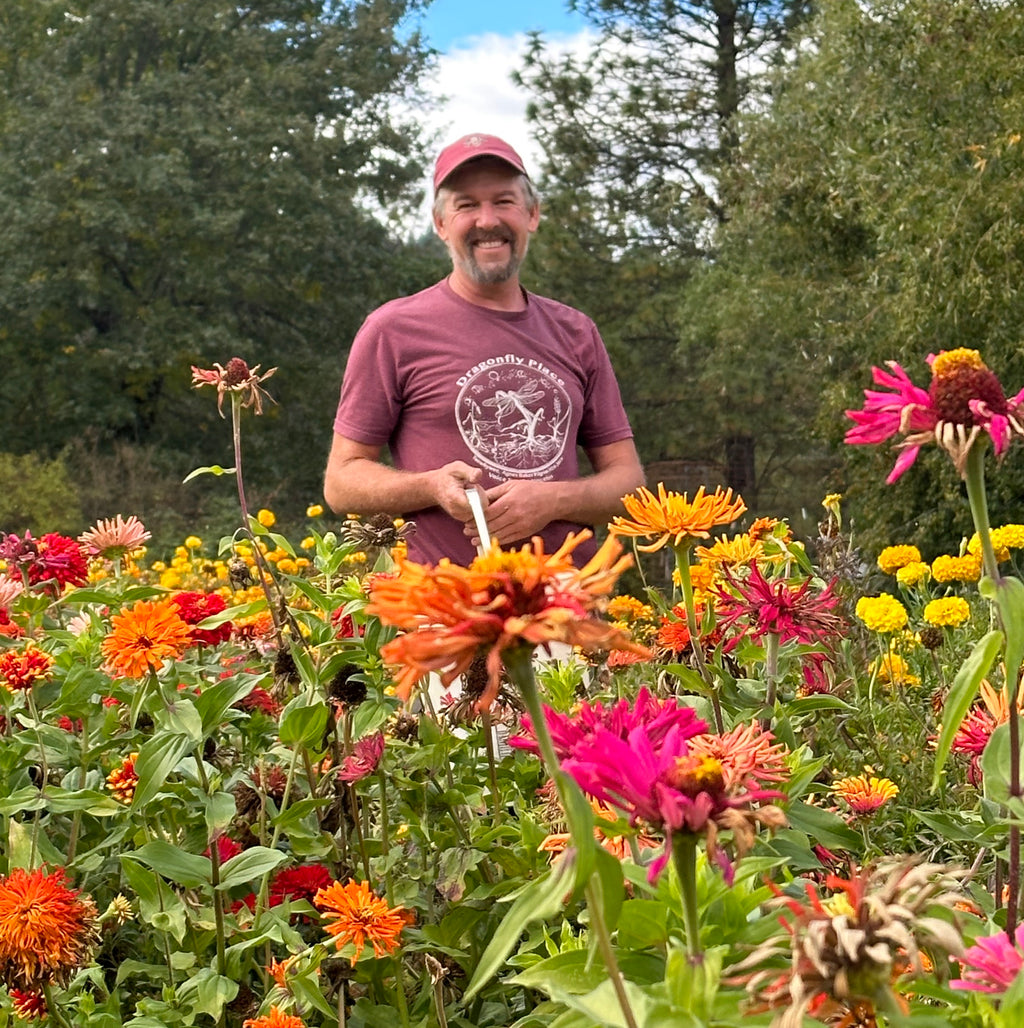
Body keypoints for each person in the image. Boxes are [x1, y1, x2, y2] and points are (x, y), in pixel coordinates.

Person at [323, 132, 644, 565]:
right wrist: (431, 486)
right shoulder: (393, 330)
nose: (487, 220)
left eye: (504, 201)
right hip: (446, 609)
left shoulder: (576, 331)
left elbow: (629, 485)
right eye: (466, 205)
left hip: (567, 605)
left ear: (532, 214)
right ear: (440, 224)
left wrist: (553, 501)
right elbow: (341, 483)